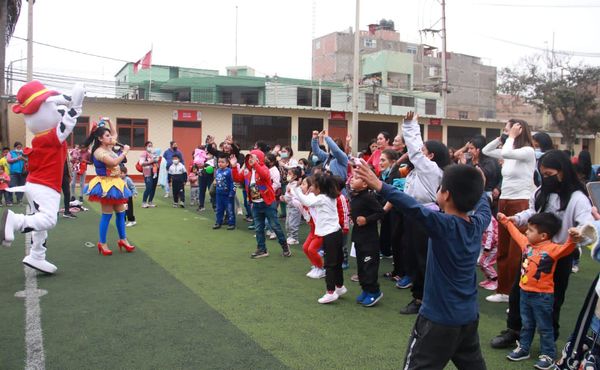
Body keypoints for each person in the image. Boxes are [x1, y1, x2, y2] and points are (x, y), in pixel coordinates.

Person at [355, 161, 491, 370]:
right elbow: (484, 207)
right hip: (468, 318)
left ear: (446, 195)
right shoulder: (478, 223)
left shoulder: (443, 225)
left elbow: (413, 207)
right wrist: (479, 186)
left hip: (438, 321)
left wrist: (380, 186)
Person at [490, 149, 594, 350]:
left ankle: (549, 342)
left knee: (553, 300)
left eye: (549, 175)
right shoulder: (540, 192)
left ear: (562, 172)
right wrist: (517, 219)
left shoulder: (577, 198)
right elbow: (532, 212)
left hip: (558, 257)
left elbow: (587, 225)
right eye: (543, 174)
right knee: (518, 292)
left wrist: (578, 233)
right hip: (532, 254)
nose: (545, 179)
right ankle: (514, 331)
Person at [498, 212, 581, 369]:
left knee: (544, 326)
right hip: (524, 292)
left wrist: (573, 238)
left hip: (542, 296)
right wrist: (506, 221)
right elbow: (515, 233)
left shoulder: (552, 249)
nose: (526, 232)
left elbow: (568, 248)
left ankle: (548, 354)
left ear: (543, 235)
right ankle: (524, 348)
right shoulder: (526, 245)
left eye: (530, 230)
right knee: (527, 323)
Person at [399, 111, 449, 315]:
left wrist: (410, 126)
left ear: (431, 156)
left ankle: (422, 299)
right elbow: (416, 150)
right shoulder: (424, 170)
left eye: (424, 150)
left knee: (422, 260)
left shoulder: (430, 169)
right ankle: (421, 296)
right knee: (414, 257)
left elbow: (415, 150)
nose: (419, 152)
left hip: (424, 217)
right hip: (415, 216)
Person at [482, 118, 536, 303]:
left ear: (519, 130)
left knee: (516, 252)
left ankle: (516, 293)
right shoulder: (510, 151)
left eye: (509, 129)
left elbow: (506, 151)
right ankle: (503, 290)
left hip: (520, 202)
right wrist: (501, 138)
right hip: (505, 201)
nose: (506, 132)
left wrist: (511, 137)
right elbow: (486, 151)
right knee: (503, 248)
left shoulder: (527, 151)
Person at [84, 119, 135, 256]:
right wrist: (124, 152)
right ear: (100, 139)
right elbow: (113, 163)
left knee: (120, 213)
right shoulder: (99, 152)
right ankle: (102, 242)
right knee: (107, 215)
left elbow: (115, 134)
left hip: (116, 182)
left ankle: (123, 239)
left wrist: (109, 120)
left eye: (109, 135)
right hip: (105, 184)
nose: (110, 137)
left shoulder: (108, 146)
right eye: (106, 136)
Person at [294, 173, 347, 304]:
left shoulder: (322, 198)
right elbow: (311, 198)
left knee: (330, 264)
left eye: (313, 186)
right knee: (336, 263)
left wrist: (297, 189)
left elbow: (307, 201)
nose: (311, 188)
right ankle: (339, 287)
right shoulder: (328, 196)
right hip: (335, 233)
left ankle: (330, 292)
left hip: (330, 235)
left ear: (320, 188)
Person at [233, 150, 291, 258]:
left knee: (275, 226)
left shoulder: (264, 169)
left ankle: (285, 246)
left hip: (268, 203)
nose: (251, 159)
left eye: (254, 157)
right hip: (256, 205)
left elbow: (264, 176)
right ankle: (262, 249)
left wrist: (255, 164)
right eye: (250, 157)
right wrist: (233, 167)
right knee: (259, 228)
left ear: (259, 159)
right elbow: (236, 178)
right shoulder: (247, 171)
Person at [350, 170, 385, 307]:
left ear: (365, 184)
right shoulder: (356, 196)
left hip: (369, 240)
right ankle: (365, 289)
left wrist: (367, 219)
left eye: (356, 178)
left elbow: (380, 212)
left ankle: (374, 291)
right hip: (359, 238)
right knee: (361, 267)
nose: (352, 179)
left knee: (369, 266)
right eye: (352, 177)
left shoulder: (368, 197)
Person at [282, 166, 303, 245]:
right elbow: (287, 195)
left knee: (293, 223)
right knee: (288, 223)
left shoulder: (296, 185)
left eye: (289, 174)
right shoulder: (289, 184)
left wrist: (285, 198)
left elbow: (294, 196)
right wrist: (283, 198)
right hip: (289, 206)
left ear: (295, 176)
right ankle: (290, 236)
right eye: (288, 173)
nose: (287, 175)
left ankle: (294, 238)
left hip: (294, 208)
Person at [213, 157, 235, 230]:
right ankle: (218, 222)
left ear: (227, 163)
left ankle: (231, 223)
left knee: (229, 209)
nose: (220, 163)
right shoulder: (218, 171)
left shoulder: (230, 171)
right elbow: (216, 180)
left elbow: (232, 183)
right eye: (219, 162)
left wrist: (232, 192)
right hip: (219, 194)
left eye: (222, 162)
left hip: (228, 194)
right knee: (219, 209)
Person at [478, 211, 498, 291]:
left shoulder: (488, 218)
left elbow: (490, 234)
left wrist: (487, 248)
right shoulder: (483, 216)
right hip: (489, 244)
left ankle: (495, 281)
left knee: (486, 263)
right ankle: (489, 279)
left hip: (494, 246)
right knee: (481, 262)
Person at [140, 141, 160, 208]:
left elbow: (156, 160)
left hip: (154, 171)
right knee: (149, 186)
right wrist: (150, 161)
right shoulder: (144, 154)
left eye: (151, 146)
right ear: (145, 147)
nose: (150, 147)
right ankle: (144, 202)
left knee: (153, 187)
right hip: (147, 171)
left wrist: (157, 159)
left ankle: (150, 201)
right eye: (149, 146)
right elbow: (141, 163)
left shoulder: (153, 153)